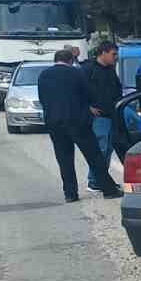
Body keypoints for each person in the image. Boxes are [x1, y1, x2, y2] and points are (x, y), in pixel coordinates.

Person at [39, 49, 123, 202]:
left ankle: (70, 194)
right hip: (77, 121)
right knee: (94, 156)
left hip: (54, 123)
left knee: (64, 159)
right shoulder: (76, 73)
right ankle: (108, 189)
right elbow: (90, 95)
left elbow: (43, 99)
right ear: (71, 60)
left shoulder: (44, 75)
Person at [85, 41, 121, 191]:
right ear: (103, 53)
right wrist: (88, 107)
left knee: (108, 149)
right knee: (101, 148)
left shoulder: (110, 69)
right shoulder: (88, 69)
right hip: (99, 117)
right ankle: (94, 180)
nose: (115, 57)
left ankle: (102, 179)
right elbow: (78, 90)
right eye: (113, 54)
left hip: (112, 114)